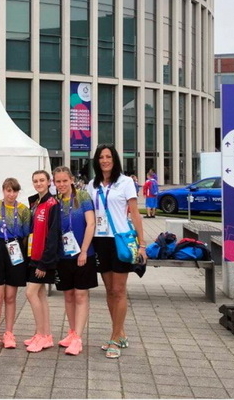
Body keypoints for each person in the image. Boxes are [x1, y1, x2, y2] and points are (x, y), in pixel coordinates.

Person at [86, 144, 146, 359]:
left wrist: (142, 244)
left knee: (119, 290)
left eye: (108, 156)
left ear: (114, 159)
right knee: (110, 290)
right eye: (101, 157)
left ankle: (114, 338)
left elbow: (135, 214)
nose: (105, 160)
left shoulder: (125, 182)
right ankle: (120, 333)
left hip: (119, 240)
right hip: (100, 241)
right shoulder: (92, 185)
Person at [52, 166, 97, 356]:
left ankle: (78, 337)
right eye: (58, 181)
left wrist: (84, 250)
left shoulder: (83, 197)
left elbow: (91, 223)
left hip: (83, 254)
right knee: (68, 295)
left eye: (64, 180)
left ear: (71, 179)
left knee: (80, 295)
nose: (61, 184)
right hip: (63, 255)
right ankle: (71, 332)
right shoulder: (55, 201)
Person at [0, 178, 30, 350]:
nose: (11, 194)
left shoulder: (24, 210)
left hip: (15, 250)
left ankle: (9, 333)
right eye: (8, 191)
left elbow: (26, 235)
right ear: (3, 190)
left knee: (10, 296)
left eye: (14, 191)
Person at [24, 170, 61, 353]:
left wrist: (44, 263)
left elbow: (53, 236)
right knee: (40, 295)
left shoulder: (53, 204)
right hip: (33, 256)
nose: (38, 183)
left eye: (41, 180)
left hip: (43, 259)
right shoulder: (35, 203)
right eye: (35, 181)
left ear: (48, 182)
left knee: (30, 293)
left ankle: (41, 334)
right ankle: (46, 335)